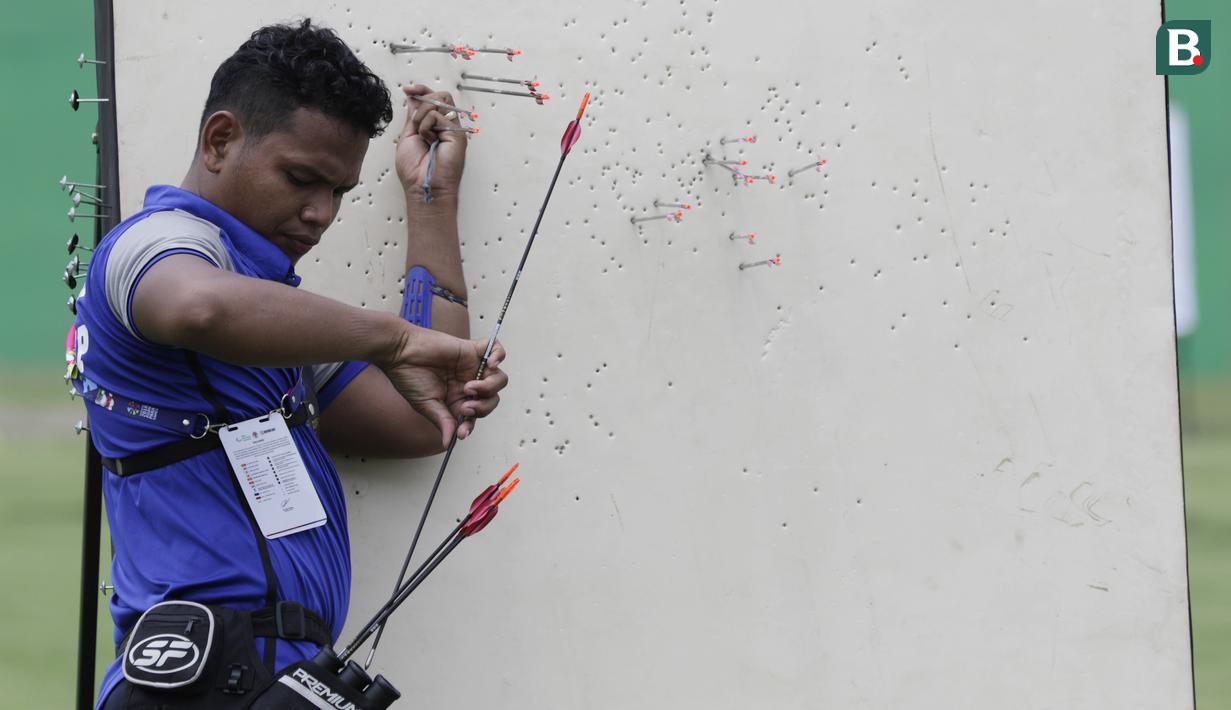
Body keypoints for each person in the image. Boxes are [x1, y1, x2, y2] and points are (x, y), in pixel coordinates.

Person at [68, 19, 507, 708]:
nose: (319, 213)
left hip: (268, 682)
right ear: (220, 140)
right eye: (302, 179)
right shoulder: (152, 243)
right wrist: (392, 341)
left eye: (339, 193)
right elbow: (199, 308)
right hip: (199, 681)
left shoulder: (270, 315)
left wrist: (431, 202)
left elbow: (423, 418)